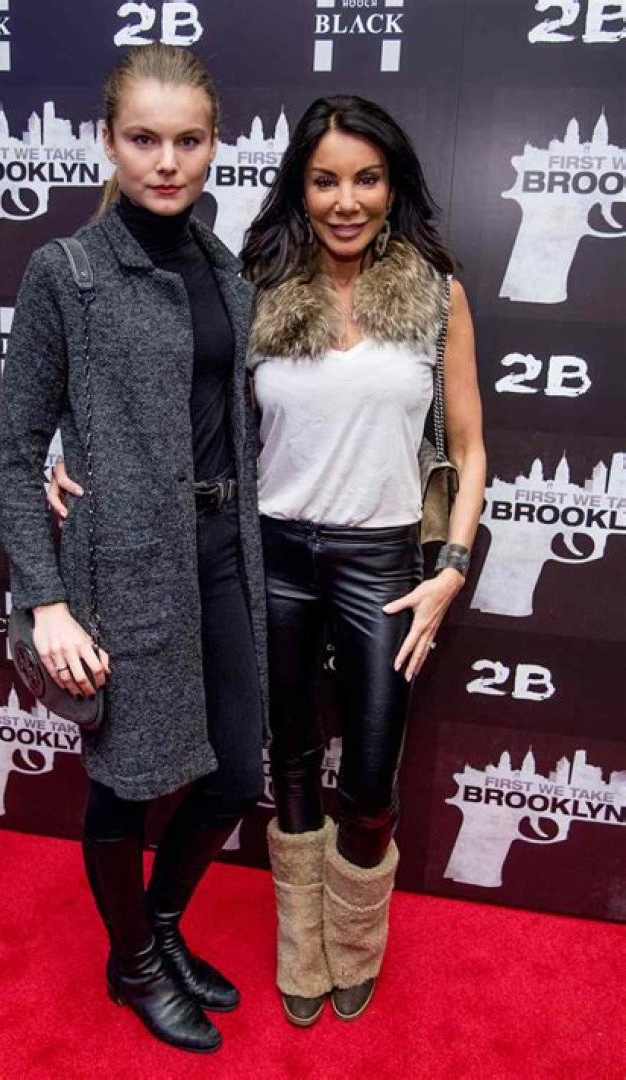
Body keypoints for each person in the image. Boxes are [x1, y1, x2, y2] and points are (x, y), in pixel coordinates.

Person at [49, 94, 486, 1028]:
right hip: (270, 553)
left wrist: (450, 567)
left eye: (366, 179)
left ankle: (354, 942)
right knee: (288, 768)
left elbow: (469, 445)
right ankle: (301, 948)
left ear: (393, 186)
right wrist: (67, 453)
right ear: (300, 189)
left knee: (369, 789)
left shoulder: (436, 294)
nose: (345, 201)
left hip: (383, 564)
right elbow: (168, 389)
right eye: (325, 180)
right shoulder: (254, 286)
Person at [0, 44, 268, 1055]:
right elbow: (16, 451)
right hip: (125, 562)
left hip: (225, 550)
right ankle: (135, 964)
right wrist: (47, 600)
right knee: (127, 779)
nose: (166, 161)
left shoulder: (227, 269)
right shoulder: (66, 273)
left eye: (188, 140)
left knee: (235, 771)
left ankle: (158, 929)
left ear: (214, 145)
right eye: (144, 138)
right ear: (107, 142)